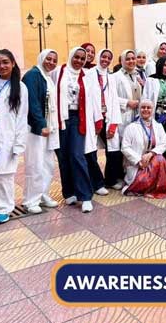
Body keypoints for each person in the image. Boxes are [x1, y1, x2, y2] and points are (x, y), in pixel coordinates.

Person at [52, 47, 103, 213]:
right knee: (63, 156)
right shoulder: (59, 72)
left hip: (78, 118)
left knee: (77, 155)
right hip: (60, 118)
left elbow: (95, 98)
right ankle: (69, 192)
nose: (79, 61)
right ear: (70, 56)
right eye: (76, 57)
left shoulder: (88, 76)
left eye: (82, 58)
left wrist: (98, 120)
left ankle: (86, 196)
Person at [0, 49, 28, 224]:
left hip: (6, 138)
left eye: (5, 62)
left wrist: (18, 144)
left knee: (4, 176)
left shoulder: (20, 88)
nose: (1, 66)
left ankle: (4, 208)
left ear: (13, 63)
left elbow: (22, 117)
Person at [21, 49, 60, 213]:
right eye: (48, 59)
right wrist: (40, 124)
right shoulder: (33, 75)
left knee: (47, 164)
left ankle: (43, 194)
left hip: (48, 128)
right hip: (36, 129)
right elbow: (32, 102)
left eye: (54, 60)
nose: (51, 62)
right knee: (35, 165)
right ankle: (31, 200)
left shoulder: (47, 77)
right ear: (41, 58)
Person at [121, 99, 166, 198]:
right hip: (138, 165)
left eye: (149, 108)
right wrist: (139, 161)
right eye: (143, 107)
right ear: (139, 110)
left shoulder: (158, 126)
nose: (146, 110)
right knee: (142, 180)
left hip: (154, 161)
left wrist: (151, 153)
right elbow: (125, 147)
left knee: (160, 159)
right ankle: (142, 187)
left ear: (153, 110)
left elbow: (164, 144)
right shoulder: (131, 127)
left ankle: (157, 189)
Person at [90, 49, 123, 192]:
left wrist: (114, 124)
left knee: (114, 151)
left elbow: (114, 100)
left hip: (108, 117)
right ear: (99, 57)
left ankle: (110, 180)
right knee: (91, 152)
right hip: (92, 119)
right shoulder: (90, 75)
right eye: (104, 56)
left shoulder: (111, 77)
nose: (106, 60)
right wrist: (96, 119)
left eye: (109, 58)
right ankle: (95, 182)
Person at [114, 50, 143, 153]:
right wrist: (127, 102)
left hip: (137, 115)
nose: (131, 61)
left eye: (133, 58)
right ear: (122, 61)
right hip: (123, 115)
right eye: (127, 59)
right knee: (124, 146)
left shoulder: (138, 75)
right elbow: (111, 98)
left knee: (136, 145)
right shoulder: (115, 77)